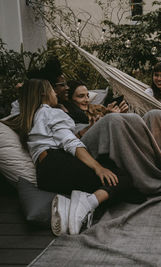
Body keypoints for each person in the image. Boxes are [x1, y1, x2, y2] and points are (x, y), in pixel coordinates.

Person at [3, 79, 133, 236]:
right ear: (44, 94)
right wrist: (98, 168)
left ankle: (69, 207)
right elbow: (70, 143)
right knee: (123, 178)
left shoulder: (27, 118)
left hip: (45, 176)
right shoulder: (51, 112)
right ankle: (86, 203)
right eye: (52, 90)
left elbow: (54, 139)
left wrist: (86, 131)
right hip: (60, 165)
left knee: (108, 170)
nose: (56, 93)